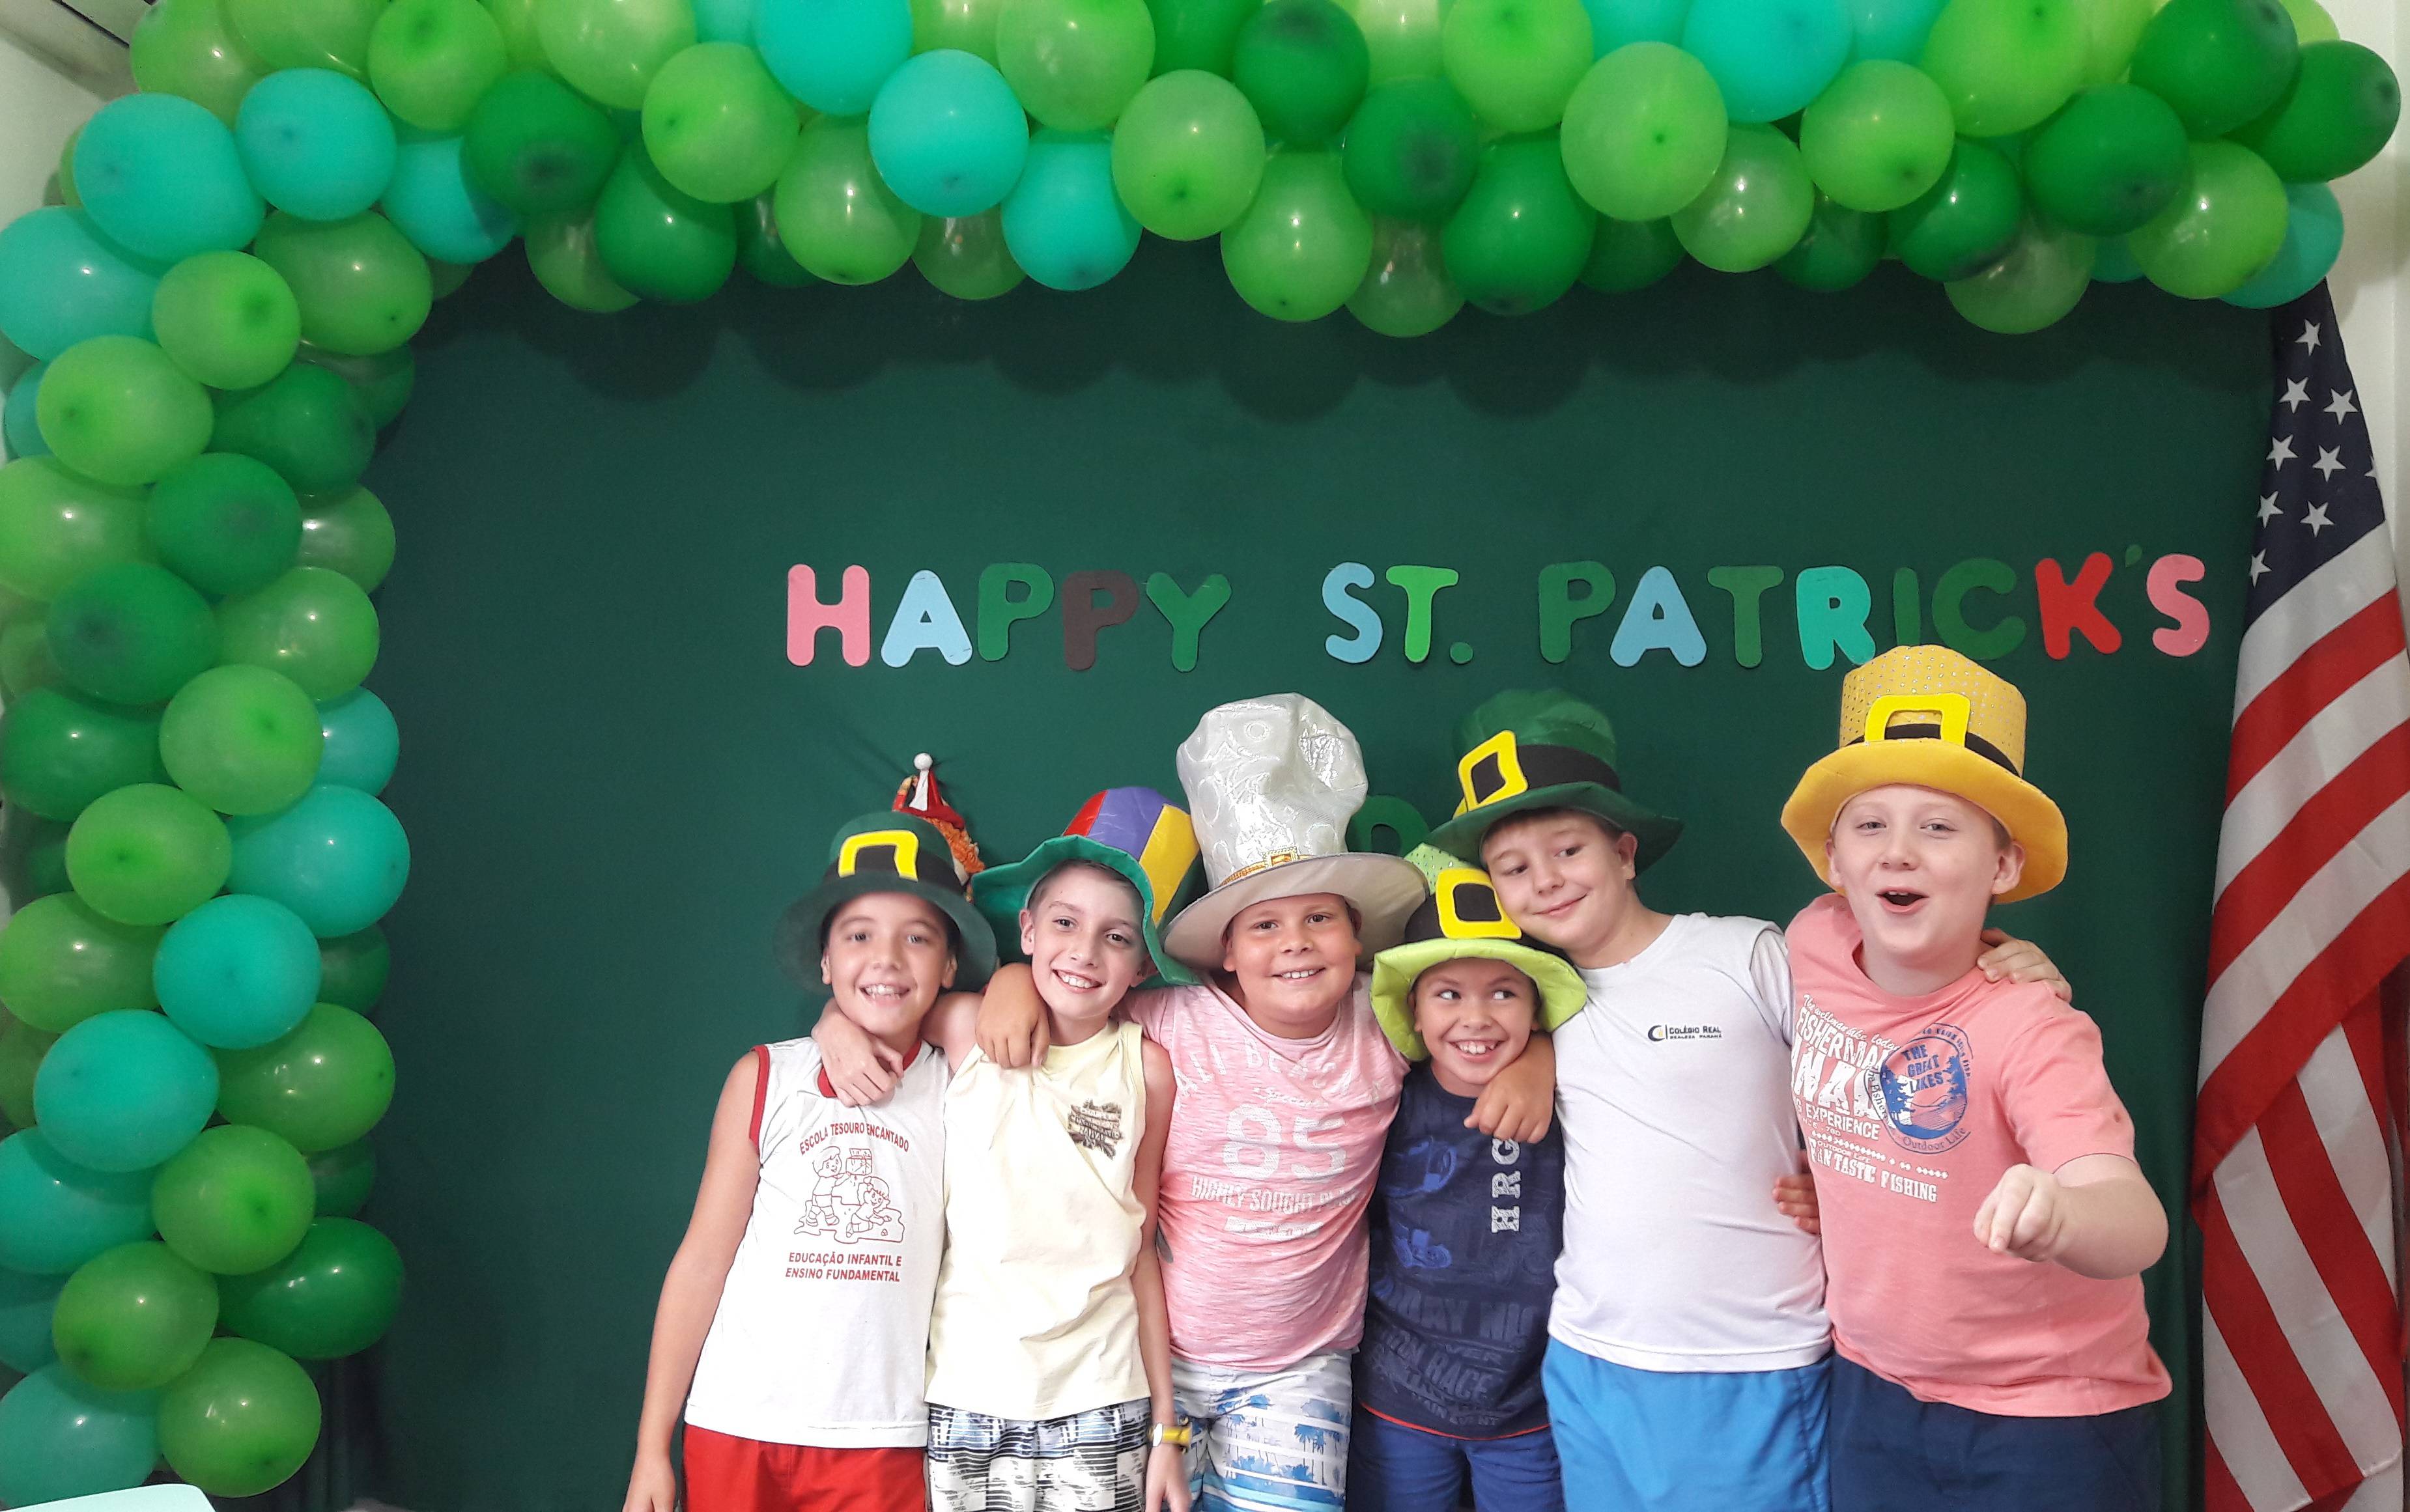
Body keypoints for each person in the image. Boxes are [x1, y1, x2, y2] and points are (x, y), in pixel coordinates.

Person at [1423, 688, 2066, 1512]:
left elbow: (1888, 1038)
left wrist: (2002, 963)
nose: (1545, 881)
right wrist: (1534, 1056)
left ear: (1624, 853)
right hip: (1590, 1358)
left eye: (1568, 850)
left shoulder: (1743, 953)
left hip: (1749, 1356)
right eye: (1514, 869)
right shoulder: (1530, 1005)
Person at [978, 695, 1555, 1512]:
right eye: (1264, 927)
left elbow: (1489, 1010)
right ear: (1224, 952)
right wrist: (1009, 981)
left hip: (1300, 1368)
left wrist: (1537, 1056)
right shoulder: (1168, 1019)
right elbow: (1071, 993)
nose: (1294, 942)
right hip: (1145, 1354)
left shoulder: (1385, 1021)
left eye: (1319, 918)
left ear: (1358, 939)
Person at [1778, 645, 2169, 1511]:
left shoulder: (2032, 1025)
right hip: (1871, 1383)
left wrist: (2063, 1215)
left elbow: (2136, 1221)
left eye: (1939, 827)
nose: (1898, 853)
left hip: (2046, 1415)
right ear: (1834, 860)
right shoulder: (1813, 943)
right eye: (1869, 825)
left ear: (2002, 866)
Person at [817, 789, 1202, 1512]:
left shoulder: (1146, 1068)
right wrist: (832, 1024)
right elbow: (881, 999)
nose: (1084, 951)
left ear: (1144, 966)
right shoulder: (964, 1026)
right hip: (967, 1395)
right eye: (1065, 923)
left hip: (1101, 1395)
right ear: (1027, 929)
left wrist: (1165, 1429)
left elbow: (1142, 1247)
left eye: (1118, 937)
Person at [620, 811, 995, 1512]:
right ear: (825, 961)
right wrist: (650, 1447)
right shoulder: (764, 1077)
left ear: (950, 965)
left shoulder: (962, 1083)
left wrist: (844, 1022)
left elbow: (1010, 1007)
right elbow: (701, 1262)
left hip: (884, 1436)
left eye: (918, 938)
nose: (887, 959)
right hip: (737, 1422)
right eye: (858, 936)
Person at [1348, 853, 1587, 1512]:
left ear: (1536, 1010)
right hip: (1398, 1397)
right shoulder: (1384, 1098)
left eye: (1503, 993)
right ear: (1414, 1011)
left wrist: (1542, 1060)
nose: (1476, 1017)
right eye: (1448, 994)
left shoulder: (1575, 1092)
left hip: (1530, 1405)